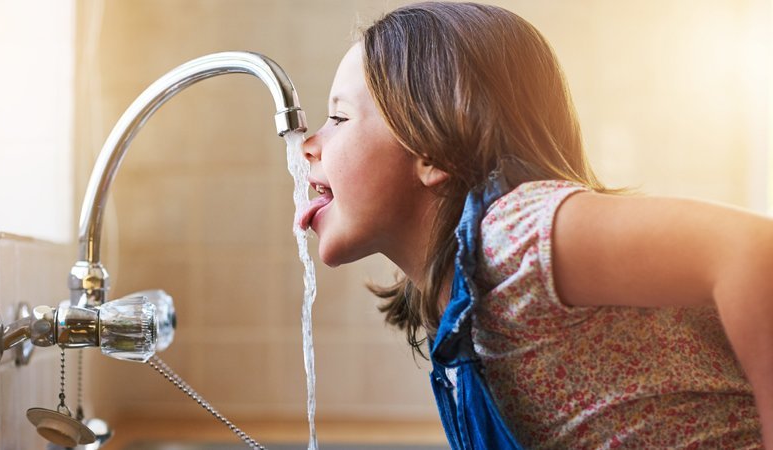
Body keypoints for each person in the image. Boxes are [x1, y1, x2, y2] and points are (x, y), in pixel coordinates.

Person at [298, 2, 771, 448]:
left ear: (432, 149)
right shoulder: (463, 302)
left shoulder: (516, 235)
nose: (308, 144)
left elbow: (753, 251)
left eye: (338, 117)